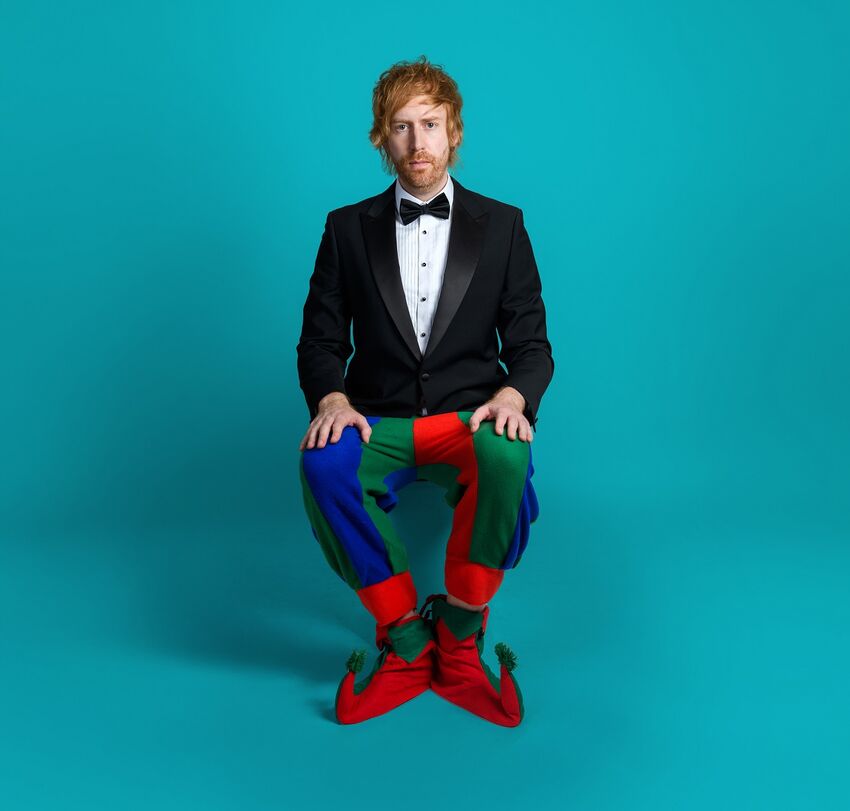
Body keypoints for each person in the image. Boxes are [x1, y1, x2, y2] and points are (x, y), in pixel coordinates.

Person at [297, 55, 554, 727]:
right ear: (380, 138)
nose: (418, 144)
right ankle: (407, 640)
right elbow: (321, 340)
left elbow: (530, 346)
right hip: (375, 420)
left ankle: (461, 637)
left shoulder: (502, 226)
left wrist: (512, 398)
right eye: (401, 128)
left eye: (430, 125)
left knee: (507, 454)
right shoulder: (345, 228)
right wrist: (331, 399)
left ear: (456, 131)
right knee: (322, 462)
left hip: (468, 418)